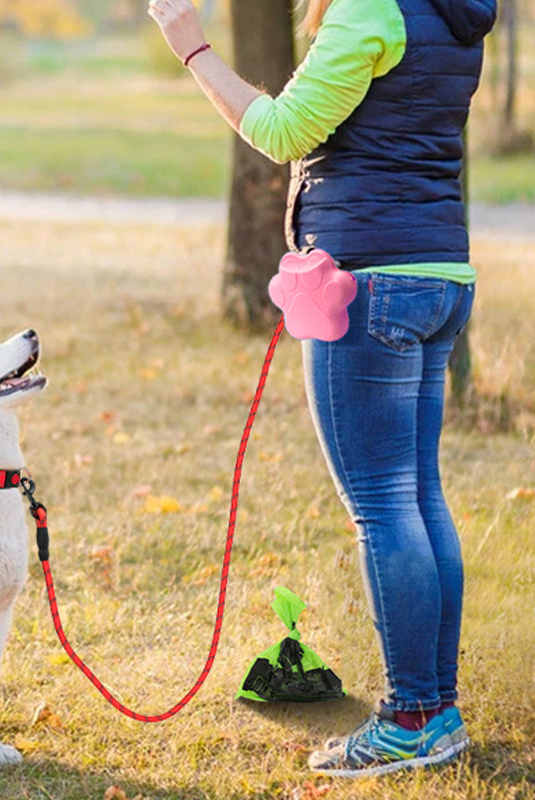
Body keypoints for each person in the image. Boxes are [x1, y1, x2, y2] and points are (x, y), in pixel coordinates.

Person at [148, 0, 496, 778]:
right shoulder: (452, 8)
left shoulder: (374, 6)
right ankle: (435, 711)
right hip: (438, 274)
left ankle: (409, 718)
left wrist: (193, 48)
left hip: (367, 283)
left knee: (382, 505)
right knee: (418, 498)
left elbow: (282, 132)